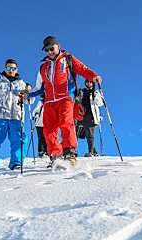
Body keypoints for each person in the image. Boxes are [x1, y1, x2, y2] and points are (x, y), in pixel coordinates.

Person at [23, 36, 102, 167]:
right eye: (47, 50)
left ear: (58, 46)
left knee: (66, 123)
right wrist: (28, 93)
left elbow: (83, 69)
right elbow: (40, 88)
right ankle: (55, 156)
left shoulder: (68, 59)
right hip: (49, 102)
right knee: (48, 130)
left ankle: (69, 153)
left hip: (65, 97)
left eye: (51, 48)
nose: (49, 52)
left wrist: (94, 76)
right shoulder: (44, 67)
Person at [0, 59, 33, 171]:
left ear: (16, 70)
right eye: (8, 68)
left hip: (16, 117)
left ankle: (16, 163)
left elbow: (30, 101)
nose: (11, 70)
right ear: (5, 68)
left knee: (19, 139)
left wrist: (28, 92)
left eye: (13, 68)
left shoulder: (22, 84)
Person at [76, 79, 104, 157]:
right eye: (87, 82)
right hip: (81, 114)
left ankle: (91, 152)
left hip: (91, 115)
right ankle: (93, 151)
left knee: (89, 134)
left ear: (92, 84)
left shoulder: (95, 92)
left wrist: (96, 97)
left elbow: (100, 103)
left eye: (90, 82)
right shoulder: (82, 91)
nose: (88, 83)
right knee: (76, 131)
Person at [32, 93, 47, 158]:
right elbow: (36, 110)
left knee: (48, 137)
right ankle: (42, 151)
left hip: (48, 123)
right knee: (41, 137)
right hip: (40, 123)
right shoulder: (41, 102)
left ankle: (48, 150)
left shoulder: (52, 103)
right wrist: (35, 114)